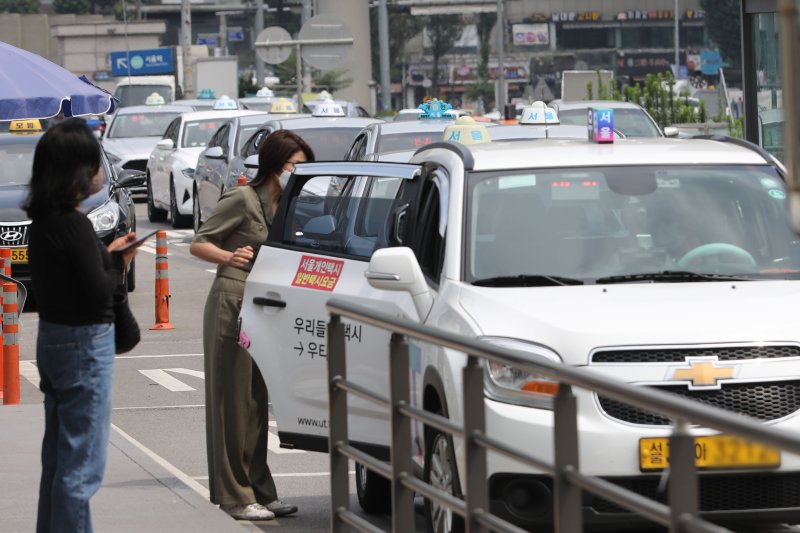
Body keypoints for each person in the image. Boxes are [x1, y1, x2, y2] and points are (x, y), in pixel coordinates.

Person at [189, 129, 313, 521]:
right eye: (296, 165)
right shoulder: (242, 198)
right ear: (276, 165)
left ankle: (260, 490)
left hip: (267, 307)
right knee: (232, 401)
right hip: (233, 300)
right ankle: (234, 496)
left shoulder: (288, 202)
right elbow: (199, 242)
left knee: (257, 402)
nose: (300, 172)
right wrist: (229, 255)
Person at [25, 118, 140, 533]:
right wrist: (119, 262)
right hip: (83, 346)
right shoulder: (74, 224)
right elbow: (97, 291)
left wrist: (103, 254)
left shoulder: (44, 224)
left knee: (59, 461)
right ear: (76, 171)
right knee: (82, 468)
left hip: (54, 340)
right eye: (94, 165)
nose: (98, 173)